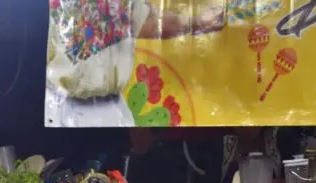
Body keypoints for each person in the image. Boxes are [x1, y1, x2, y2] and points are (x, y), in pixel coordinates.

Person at [45, 0, 225, 127]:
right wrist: (194, 22)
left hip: (113, 107)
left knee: (116, 176)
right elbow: (130, 24)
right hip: (64, 107)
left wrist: (197, 21)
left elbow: (144, 17)